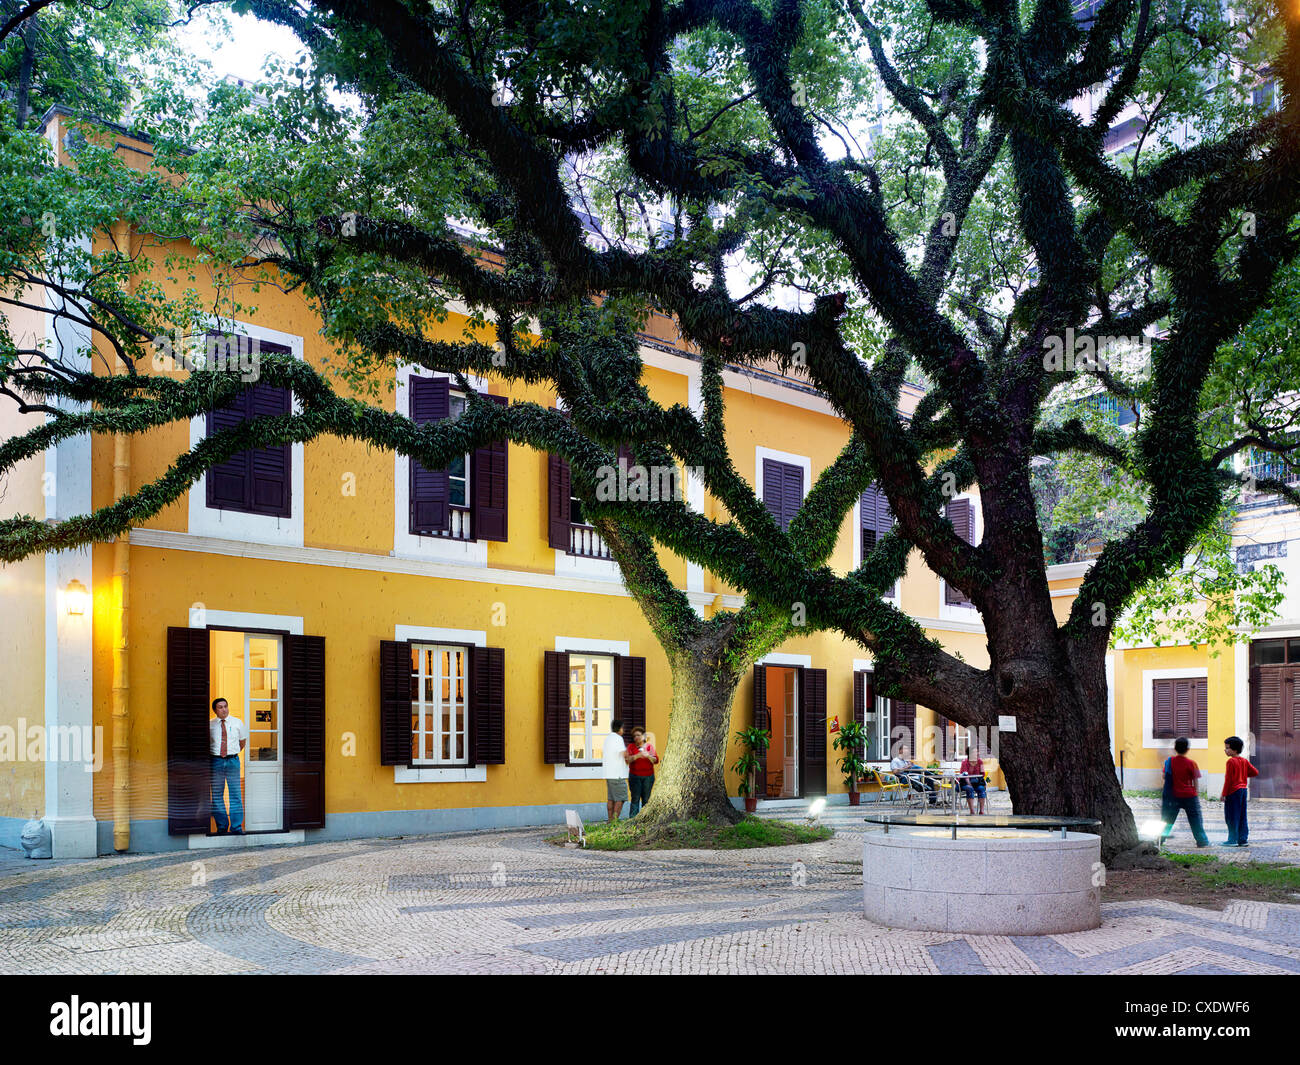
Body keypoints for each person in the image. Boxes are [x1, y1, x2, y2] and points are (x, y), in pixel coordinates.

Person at [1162, 737, 1210, 847]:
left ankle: (1161, 839)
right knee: (1195, 819)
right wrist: (1196, 793)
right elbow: (1195, 780)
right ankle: (1202, 841)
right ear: (1187, 749)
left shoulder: (1169, 762)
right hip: (1189, 796)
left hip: (1173, 795)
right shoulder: (1191, 763)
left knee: (1168, 819)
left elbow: (1164, 776)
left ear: (1175, 748)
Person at [209, 697, 246, 834]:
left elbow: (242, 742)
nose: (224, 709)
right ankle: (222, 827)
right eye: (220, 707)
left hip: (232, 761)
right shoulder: (210, 725)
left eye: (225, 706)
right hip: (216, 762)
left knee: (235, 794)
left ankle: (236, 827)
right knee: (217, 795)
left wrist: (231, 753)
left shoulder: (237, 723)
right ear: (215, 710)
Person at [1220, 735, 1259, 847]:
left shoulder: (1231, 762)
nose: (1225, 750)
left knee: (1231, 816)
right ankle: (1243, 839)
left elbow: (1228, 780)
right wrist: (1242, 775)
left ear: (1234, 750)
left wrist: (1223, 794)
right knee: (1242, 815)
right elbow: (1255, 772)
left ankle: (1232, 840)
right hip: (1243, 791)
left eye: (1227, 748)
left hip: (1233, 792)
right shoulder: (1244, 761)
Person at [601, 717, 632, 822]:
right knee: (621, 798)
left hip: (608, 774)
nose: (624, 730)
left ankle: (610, 820)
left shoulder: (608, 738)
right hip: (618, 774)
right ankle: (614, 821)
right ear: (620, 728)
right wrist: (629, 759)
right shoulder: (618, 739)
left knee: (611, 798)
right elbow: (624, 754)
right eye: (623, 728)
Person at [625, 727, 659, 817]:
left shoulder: (649, 747)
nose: (636, 737)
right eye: (635, 736)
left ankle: (645, 819)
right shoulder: (631, 747)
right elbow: (628, 760)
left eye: (638, 735)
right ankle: (633, 820)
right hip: (635, 777)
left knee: (646, 799)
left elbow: (656, 760)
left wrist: (648, 756)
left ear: (643, 736)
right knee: (635, 799)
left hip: (648, 777)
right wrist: (638, 755)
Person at [958, 747, 987, 815]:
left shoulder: (980, 761)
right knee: (969, 788)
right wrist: (969, 783)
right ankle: (972, 811)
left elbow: (983, 773)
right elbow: (965, 775)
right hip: (965, 783)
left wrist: (981, 769)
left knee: (981, 788)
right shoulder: (965, 762)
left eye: (977, 752)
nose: (977, 753)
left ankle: (982, 811)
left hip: (976, 782)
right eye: (975, 752)